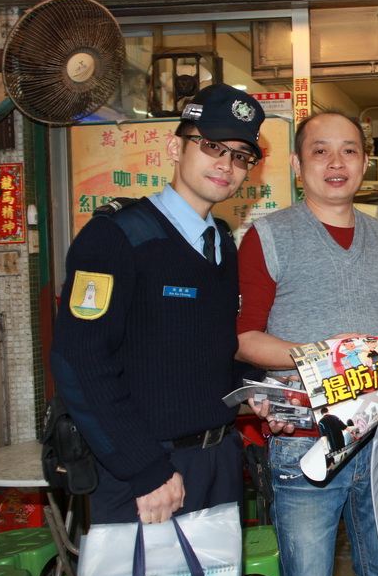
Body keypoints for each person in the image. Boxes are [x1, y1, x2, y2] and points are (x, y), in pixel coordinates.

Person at [50, 83, 265, 524]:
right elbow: (78, 359)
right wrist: (143, 469)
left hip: (218, 462)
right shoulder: (117, 237)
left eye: (241, 156)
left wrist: (259, 389)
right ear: (175, 147)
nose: (226, 164)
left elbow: (206, 351)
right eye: (212, 146)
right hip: (147, 475)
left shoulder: (222, 244)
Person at [236, 111, 378, 576]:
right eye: (320, 150)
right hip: (303, 440)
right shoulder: (267, 235)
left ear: (365, 162)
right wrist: (326, 357)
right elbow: (244, 338)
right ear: (296, 164)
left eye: (349, 151)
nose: (336, 163)